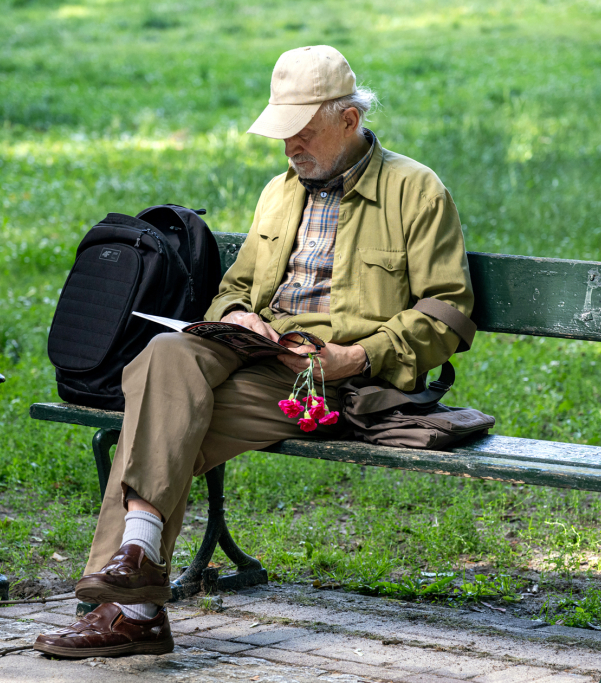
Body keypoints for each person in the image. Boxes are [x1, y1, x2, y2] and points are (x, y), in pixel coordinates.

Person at [33, 45, 474, 659]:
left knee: (160, 419)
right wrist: (237, 315)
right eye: (282, 133)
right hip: (255, 351)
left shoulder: (415, 190)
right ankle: (135, 578)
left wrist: (358, 356)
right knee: (165, 354)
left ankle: (132, 605)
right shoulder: (280, 191)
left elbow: (446, 312)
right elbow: (236, 288)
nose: (291, 146)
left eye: (303, 131)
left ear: (348, 120)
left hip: (330, 379)